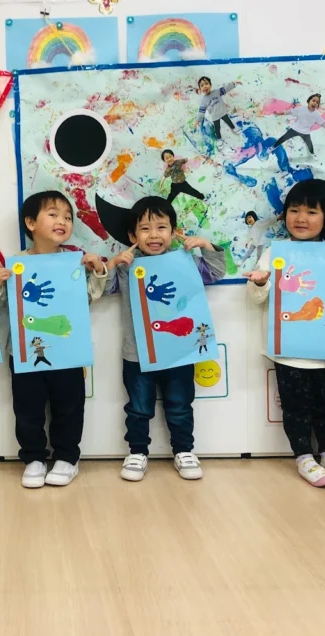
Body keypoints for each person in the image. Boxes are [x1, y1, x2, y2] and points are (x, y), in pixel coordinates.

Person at [243, 179, 325, 487]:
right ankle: (302, 455)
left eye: (312, 211)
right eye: (294, 210)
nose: (301, 218)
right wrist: (260, 282)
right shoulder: (275, 252)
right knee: (295, 408)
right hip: (287, 351)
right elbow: (258, 297)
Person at [0, 191, 107, 488]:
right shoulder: (16, 264)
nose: (62, 221)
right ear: (30, 222)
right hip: (26, 352)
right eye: (53, 214)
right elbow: (3, 306)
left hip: (67, 350)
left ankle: (67, 458)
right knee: (27, 408)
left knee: (69, 405)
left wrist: (98, 271)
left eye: (67, 217)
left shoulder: (75, 263)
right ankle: (34, 458)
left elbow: (90, 298)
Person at [106, 196, 227, 482]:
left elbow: (217, 272)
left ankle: (184, 450)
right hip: (137, 353)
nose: (154, 235)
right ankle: (137, 451)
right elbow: (101, 289)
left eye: (162, 227)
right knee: (138, 406)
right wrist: (112, 264)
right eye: (145, 229)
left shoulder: (186, 261)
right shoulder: (127, 266)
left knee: (180, 403)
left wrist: (206, 247)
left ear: (173, 232)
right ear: (133, 236)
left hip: (179, 351)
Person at [195, 76, 241, 142]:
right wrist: (197, 120)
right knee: (217, 128)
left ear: (210, 85)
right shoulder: (203, 100)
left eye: (206, 84)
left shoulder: (216, 92)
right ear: (200, 89)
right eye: (202, 85)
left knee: (228, 121)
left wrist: (233, 83)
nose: (204, 86)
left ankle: (233, 128)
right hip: (215, 116)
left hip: (223, 112)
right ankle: (219, 139)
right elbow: (201, 111)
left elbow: (225, 88)